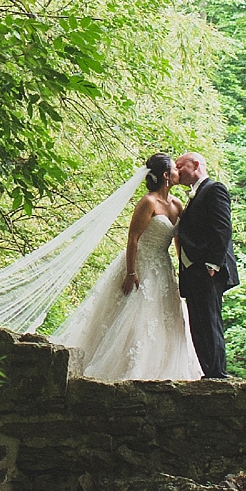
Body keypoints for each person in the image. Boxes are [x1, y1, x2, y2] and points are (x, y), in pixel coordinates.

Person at [52, 154, 201, 381]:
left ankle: (160, 371)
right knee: (135, 316)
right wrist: (131, 272)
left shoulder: (177, 204)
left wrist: (185, 266)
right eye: (175, 168)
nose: (178, 171)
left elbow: (179, 238)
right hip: (141, 263)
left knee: (166, 317)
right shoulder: (148, 202)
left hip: (164, 266)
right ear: (165, 175)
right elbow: (133, 238)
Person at [173, 152, 238, 378]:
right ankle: (208, 372)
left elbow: (222, 228)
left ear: (196, 165)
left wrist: (212, 264)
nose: (177, 170)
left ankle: (217, 374)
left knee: (209, 321)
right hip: (193, 271)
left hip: (207, 269)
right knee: (198, 323)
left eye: (181, 166)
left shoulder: (215, 189)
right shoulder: (195, 194)